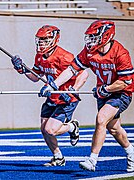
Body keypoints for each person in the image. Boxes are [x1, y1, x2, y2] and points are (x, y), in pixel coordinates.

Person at [51, 20, 134, 172]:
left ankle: (92, 160)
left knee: (101, 119)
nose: (90, 41)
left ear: (106, 36)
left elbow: (126, 82)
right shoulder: (89, 52)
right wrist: (53, 85)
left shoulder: (120, 53)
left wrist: (107, 88)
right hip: (103, 93)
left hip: (121, 93)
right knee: (114, 128)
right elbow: (72, 70)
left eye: (94, 37)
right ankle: (131, 153)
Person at [11, 25, 89, 166]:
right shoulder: (40, 57)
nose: (41, 44)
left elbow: (84, 73)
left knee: (50, 129)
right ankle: (58, 157)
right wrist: (22, 69)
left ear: (54, 40)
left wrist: (73, 90)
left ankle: (72, 127)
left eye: (45, 40)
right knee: (44, 129)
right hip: (52, 97)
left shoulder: (64, 57)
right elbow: (35, 77)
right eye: (40, 40)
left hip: (67, 98)